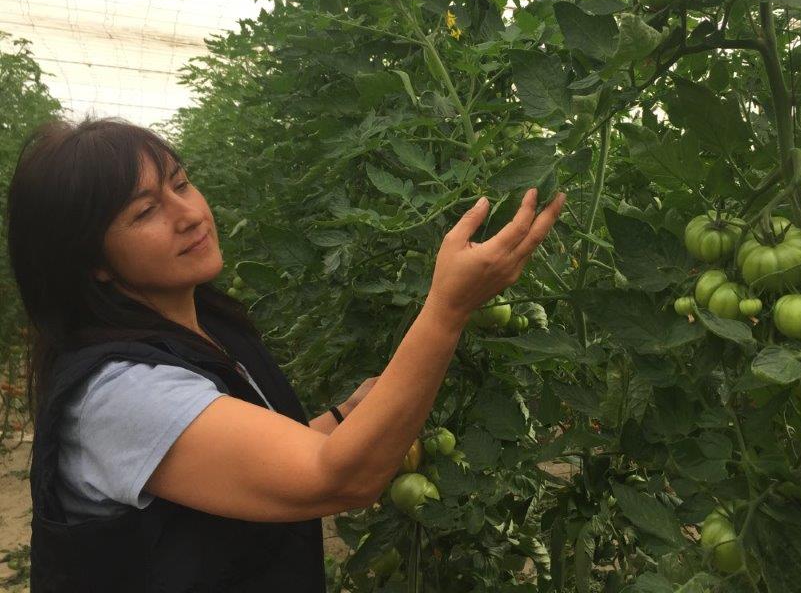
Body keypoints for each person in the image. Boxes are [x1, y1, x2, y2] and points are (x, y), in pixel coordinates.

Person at [5, 116, 566, 592]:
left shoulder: (206, 326)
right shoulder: (123, 393)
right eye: (145, 212)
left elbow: (242, 461)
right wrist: (447, 310)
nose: (190, 213)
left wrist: (344, 417)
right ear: (93, 263)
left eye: (181, 183)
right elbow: (337, 479)